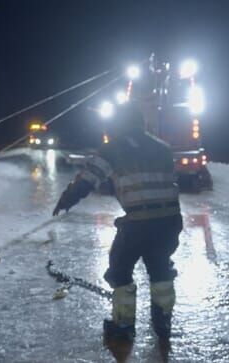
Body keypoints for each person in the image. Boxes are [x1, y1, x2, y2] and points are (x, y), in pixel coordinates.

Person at [52, 105, 183, 355]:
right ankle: (163, 324)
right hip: (169, 221)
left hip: (139, 222)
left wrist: (66, 201)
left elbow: (88, 180)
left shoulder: (114, 147)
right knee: (160, 270)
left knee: (120, 270)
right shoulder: (162, 147)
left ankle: (123, 326)